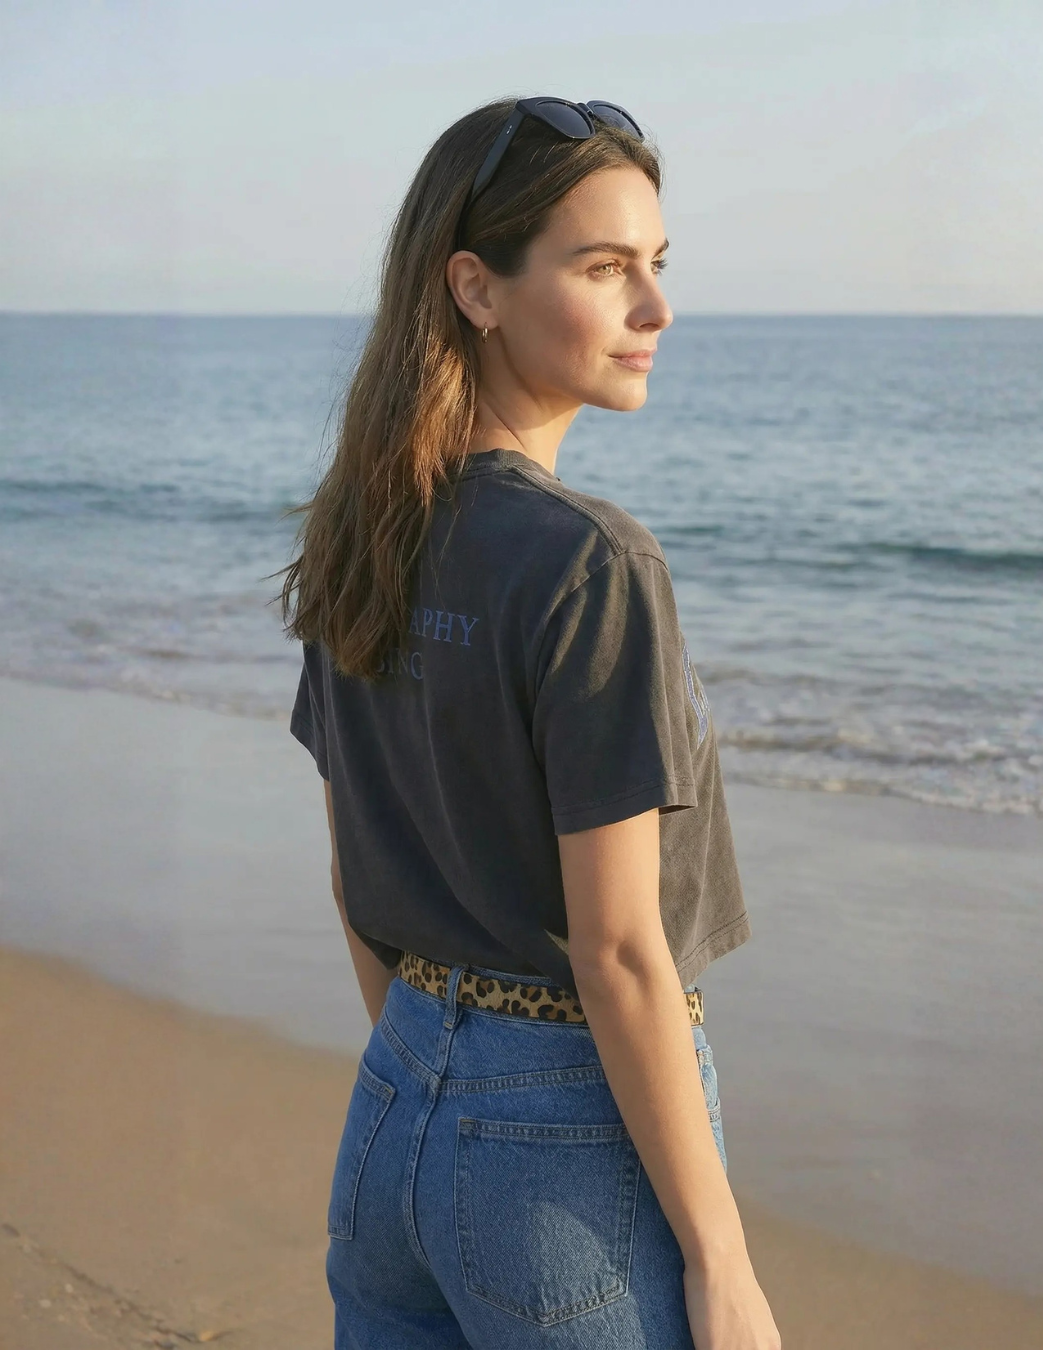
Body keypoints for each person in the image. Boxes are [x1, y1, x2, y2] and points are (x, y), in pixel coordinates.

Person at [278, 95, 781, 1350]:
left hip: (395, 1106)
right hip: (561, 1141)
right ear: (477, 287)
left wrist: (440, 1070)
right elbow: (616, 954)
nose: (654, 310)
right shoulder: (590, 562)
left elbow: (356, 877)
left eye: (656, 267)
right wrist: (723, 1265)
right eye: (603, 268)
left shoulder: (364, 532)